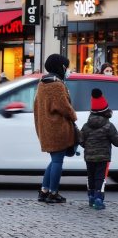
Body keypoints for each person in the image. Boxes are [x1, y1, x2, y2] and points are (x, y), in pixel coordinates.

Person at [34, 54, 77, 203]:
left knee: (54, 161)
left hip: (46, 127)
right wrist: (74, 116)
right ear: (60, 67)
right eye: (66, 66)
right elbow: (64, 107)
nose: (68, 70)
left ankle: (44, 190)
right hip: (57, 128)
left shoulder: (42, 83)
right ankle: (53, 193)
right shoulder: (57, 85)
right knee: (58, 162)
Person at [79, 88, 118, 210]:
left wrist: (88, 146)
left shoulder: (86, 126)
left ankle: (90, 197)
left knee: (90, 176)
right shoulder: (108, 126)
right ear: (105, 112)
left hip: (89, 157)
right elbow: (116, 141)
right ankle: (98, 199)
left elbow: (81, 140)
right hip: (103, 157)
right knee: (100, 177)